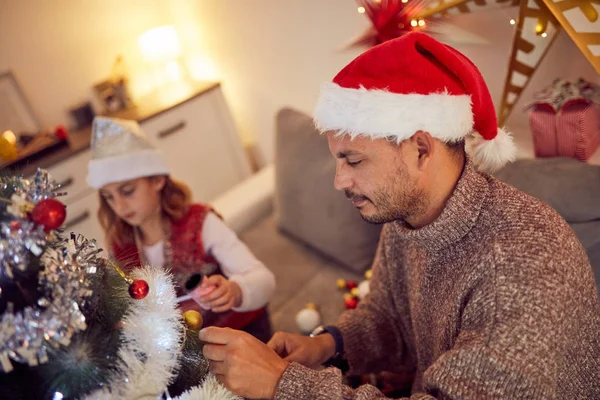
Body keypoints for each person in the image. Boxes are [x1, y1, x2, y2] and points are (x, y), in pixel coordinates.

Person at [199, 32, 600, 399]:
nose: (339, 181)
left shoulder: (517, 268)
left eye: (353, 160)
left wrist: (282, 385)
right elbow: (387, 315)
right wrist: (329, 344)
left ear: (421, 150)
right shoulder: (406, 214)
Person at [86, 116, 276, 342]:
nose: (119, 206)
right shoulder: (121, 245)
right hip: (184, 355)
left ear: (157, 180)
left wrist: (235, 291)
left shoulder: (200, 223)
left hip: (241, 335)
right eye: (109, 198)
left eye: (127, 191)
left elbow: (264, 279)